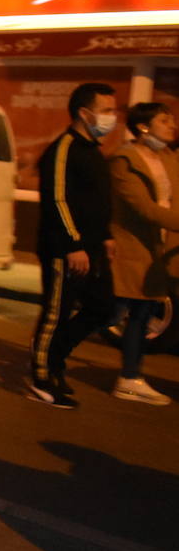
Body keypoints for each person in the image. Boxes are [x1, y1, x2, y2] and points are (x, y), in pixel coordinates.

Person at [28, 82, 119, 409]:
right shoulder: (63, 149)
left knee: (103, 307)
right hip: (64, 250)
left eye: (113, 110)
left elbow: (97, 201)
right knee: (56, 312)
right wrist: (72, 244)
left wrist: (105, 236)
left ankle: (56, 360)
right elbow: (57, 200)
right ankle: (41, 377)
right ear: (84, 113)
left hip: (91, 248)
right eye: (106, 110)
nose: (112, 117)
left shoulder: (93, 150)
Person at [107, 101, 179, 406]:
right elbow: (143, 207)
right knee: (127, 312)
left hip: (161, 245)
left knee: (142, 311)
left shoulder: (167, 157)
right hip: (133, 244)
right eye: (165, 120)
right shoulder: (125, 159)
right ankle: (128, 378)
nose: (172, 125)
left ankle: (131, 376)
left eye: (172, 120)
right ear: (143, 126)